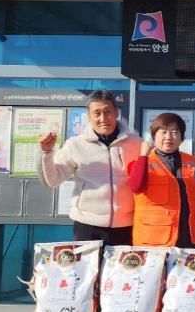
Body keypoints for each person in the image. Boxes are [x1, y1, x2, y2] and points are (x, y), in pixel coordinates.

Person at [38, 89, 141, 245]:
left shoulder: (136, 143)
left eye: (108, 112)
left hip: (127, 225)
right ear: (88, 116)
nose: (103, 118)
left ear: (116, 113)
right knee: (87, 263)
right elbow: (52, 180)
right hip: (87, 225)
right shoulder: (75, 144)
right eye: (97, 113)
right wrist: (46, 152)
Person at [128, 113, 195, 248]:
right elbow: (135, 186)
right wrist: (143, 156)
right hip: (153, 241)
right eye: (163, 132)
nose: (168, 137)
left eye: (174, 132)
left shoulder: (194, 162)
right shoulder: (142, 162)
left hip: (187, 239)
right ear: (154, 136)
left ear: (182, 137)